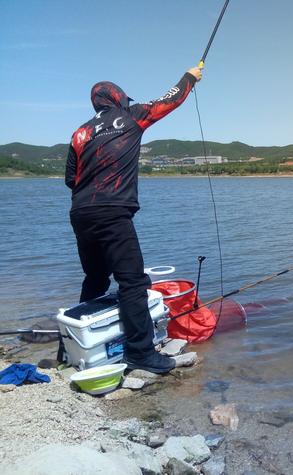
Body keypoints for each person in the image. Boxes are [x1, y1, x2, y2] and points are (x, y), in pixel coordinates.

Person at [64, 66, 203, 373]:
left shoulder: (79, 132)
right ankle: (141, 353)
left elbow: (71, 181)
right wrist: (190, 77)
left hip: (80, 213)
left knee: (96, 278)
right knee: (133, 282)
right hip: (112, 212)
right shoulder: (131, 117)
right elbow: (171, 100)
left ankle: (70, 347)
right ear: (116, 99)